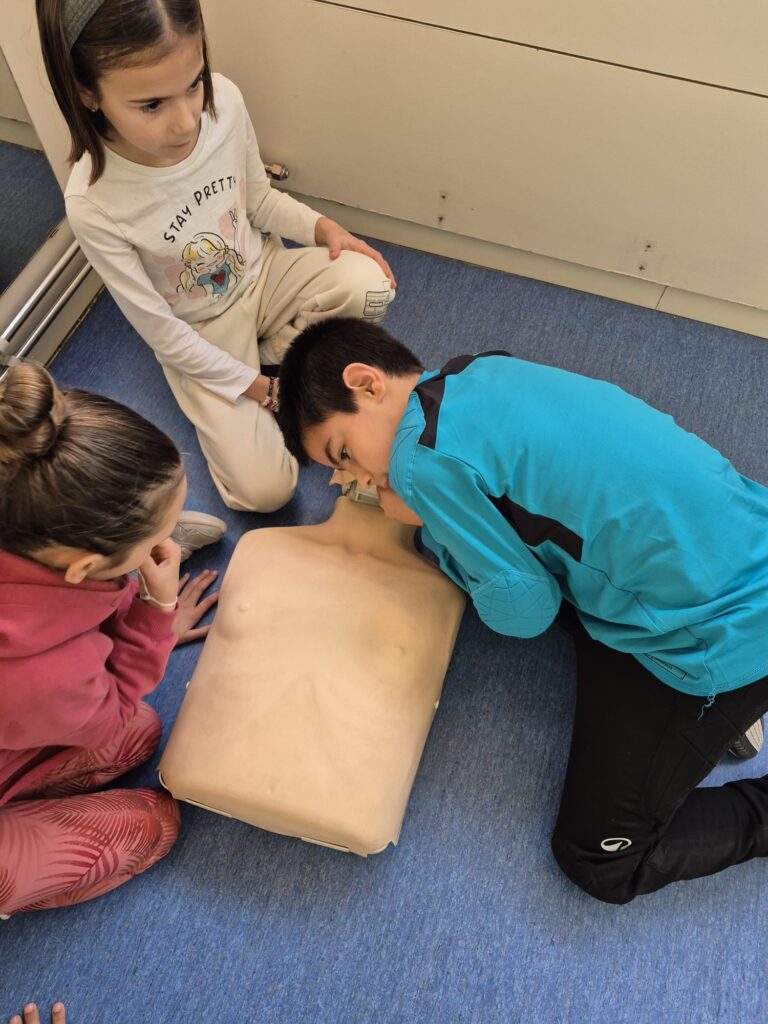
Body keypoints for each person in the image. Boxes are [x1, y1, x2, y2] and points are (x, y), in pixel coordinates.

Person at [275, 317, 768, 905]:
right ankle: (716, 720)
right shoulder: (481, 369)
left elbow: (526, 613)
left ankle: (727, 721)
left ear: (367, 382)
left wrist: (429, 523)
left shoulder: (418, 460)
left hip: (714, 636)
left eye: (344, 453)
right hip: (744, 541)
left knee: (598, 861)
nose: (358, 477)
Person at [36, 0, 396, 514]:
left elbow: (260, 201)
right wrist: (260, 389)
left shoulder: (224, 100)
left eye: (193, 83)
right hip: (200, 333)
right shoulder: (93, 203)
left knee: (371, 284)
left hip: (264, 273)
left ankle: (270, 347)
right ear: (88, 94)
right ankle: (266, 359)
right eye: (152, 105)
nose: (186, 122)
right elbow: (163, 334)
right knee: (266, 492)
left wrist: (323, 228)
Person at [0, 362, 218, 917]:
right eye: (156, 539)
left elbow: (71, 603)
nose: (168, 547)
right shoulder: (39, 673)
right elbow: (109, 717)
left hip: (25, 705)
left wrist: (140, 608)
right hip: (30, 696)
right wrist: (156, 615)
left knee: (144, 736)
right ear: (83, 565)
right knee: (153, 823)